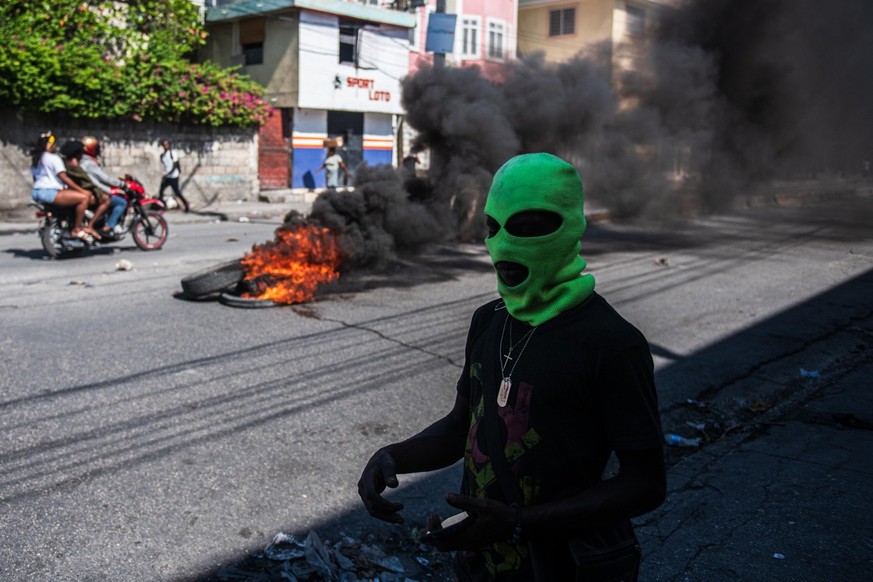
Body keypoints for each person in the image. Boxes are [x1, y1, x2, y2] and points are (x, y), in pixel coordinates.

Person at [358, 153, 666, 581]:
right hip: (480, 563)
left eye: (526, 227)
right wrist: (392, 456)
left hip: (562, 567)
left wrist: (522, 523)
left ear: (569, 227)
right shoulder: (489, 320)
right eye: (493, 228)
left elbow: (645, 483)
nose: (502, 245)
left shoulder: (611, 343)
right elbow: (462, 425)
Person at [30, 131, 100, 241]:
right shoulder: (53, 158)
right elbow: (63, 177)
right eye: (54, 144)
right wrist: (81, 190)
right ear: (50, 145)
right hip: (50, 192)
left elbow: (36, 178)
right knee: (84, 198)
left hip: (37, 192)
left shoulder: (37, 159)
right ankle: (76, 229)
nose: (56, 146)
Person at [60, 140, 111, 236]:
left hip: (71, 190)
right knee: (106, 200)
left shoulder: (65, 162)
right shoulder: (75, 165)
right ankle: (90, 226)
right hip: (80, 191)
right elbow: (87, 182)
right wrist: (103, 191)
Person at [81, 135, 128, 236]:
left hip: (88, 191)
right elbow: (105, 179)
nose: (98, 151)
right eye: (96, 148)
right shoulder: (89, 163)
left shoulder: (80, 161)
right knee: (121, 202)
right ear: (91, 149)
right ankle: (109, 226)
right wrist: (121, 184)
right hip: (95, 192)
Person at [159, 139, 190, 212]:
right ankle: (161, 207)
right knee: (161, 191)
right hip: (167, 176)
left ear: (169, 145)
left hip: (173, 176)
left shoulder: (173, 153)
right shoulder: (163, 155)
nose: (165, 146)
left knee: (177, 192)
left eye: (167, 144)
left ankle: (186, 204)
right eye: (164, 145)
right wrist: (165, 174)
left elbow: (174, 166)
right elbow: (166, 165)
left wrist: (168, 174)